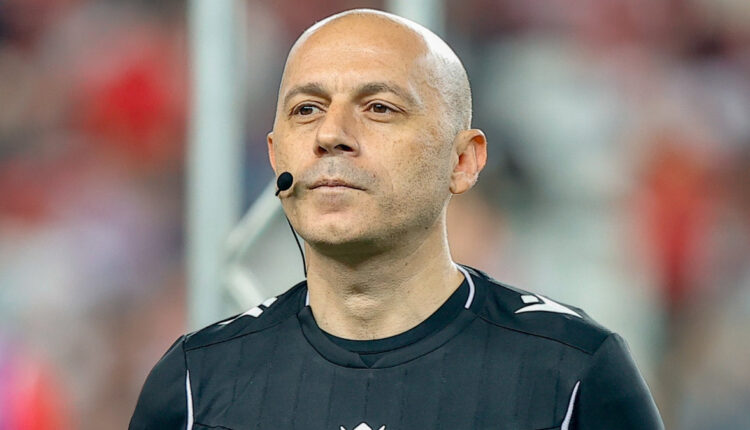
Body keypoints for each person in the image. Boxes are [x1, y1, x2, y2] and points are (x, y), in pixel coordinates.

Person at [130, 9, 663, 429]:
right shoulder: (195, 380)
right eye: (306, 109)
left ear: (463, 161)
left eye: (379, 107)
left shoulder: (572, 370)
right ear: (275, 156)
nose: (330, 134)